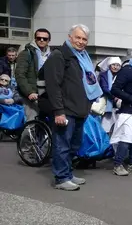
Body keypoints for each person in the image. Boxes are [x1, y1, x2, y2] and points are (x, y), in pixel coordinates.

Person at [41, 25, 101, 191]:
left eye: (84, 39)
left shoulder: (83, 57)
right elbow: (53, 86)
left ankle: (67, 173)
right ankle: (61, 178)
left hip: (80, 110)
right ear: (69, 37)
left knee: (74, 145)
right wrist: (58, 111)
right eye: (78, 37)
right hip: (66, 110)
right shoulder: (59, 56)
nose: (81, 42)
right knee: (62, 144)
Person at [14, 28, 51, 120]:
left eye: (45, 39)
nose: (41, 40)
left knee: (45, 123)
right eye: (39, 38)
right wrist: (29, 92)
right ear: (35, 39)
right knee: (32, 121)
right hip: (31, 94)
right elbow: (19, 74)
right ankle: (26, 134)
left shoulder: (51, 55)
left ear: (49, 41)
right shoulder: (26, 53)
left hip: (46, 95)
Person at [97, 56, 122, 133]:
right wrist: (114, 97)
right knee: (105, 127)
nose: (115, 67)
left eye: (118, 65)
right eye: (113, 65)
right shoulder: (103, 75)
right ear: (110, 65)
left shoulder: (122, 75)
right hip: (107, 102)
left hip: (119, 104)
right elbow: (105, 88)